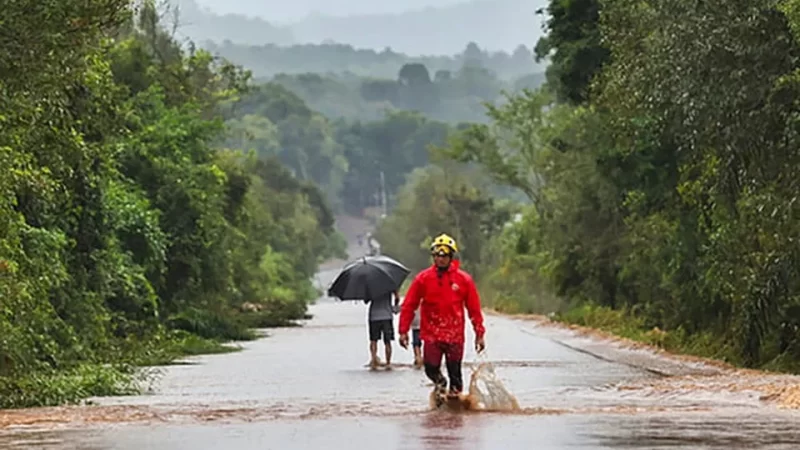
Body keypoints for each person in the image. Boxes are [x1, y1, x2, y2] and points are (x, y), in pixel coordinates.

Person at [399, 233, 486, 404]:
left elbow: (474, 310)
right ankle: (440, 384)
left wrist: (479, 333)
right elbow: (409, 305)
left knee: (455, 374)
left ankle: (455, 414)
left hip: (454, 335)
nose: (440, 259)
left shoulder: (464, 280)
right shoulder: (422, 279)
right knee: (430, 367)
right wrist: (403, 331)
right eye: (437, 255)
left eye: (444, 255)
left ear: (451, 256)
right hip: (431, 334)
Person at [365, 289, 400, 369]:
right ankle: (388, 362)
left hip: (374, 316)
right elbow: (397, 297)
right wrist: (395, 305)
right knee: (387, 341)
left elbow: (366, 300)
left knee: (373, 340)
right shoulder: (389, 284)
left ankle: (373, 359)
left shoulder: (371, 286)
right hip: (386, 315)